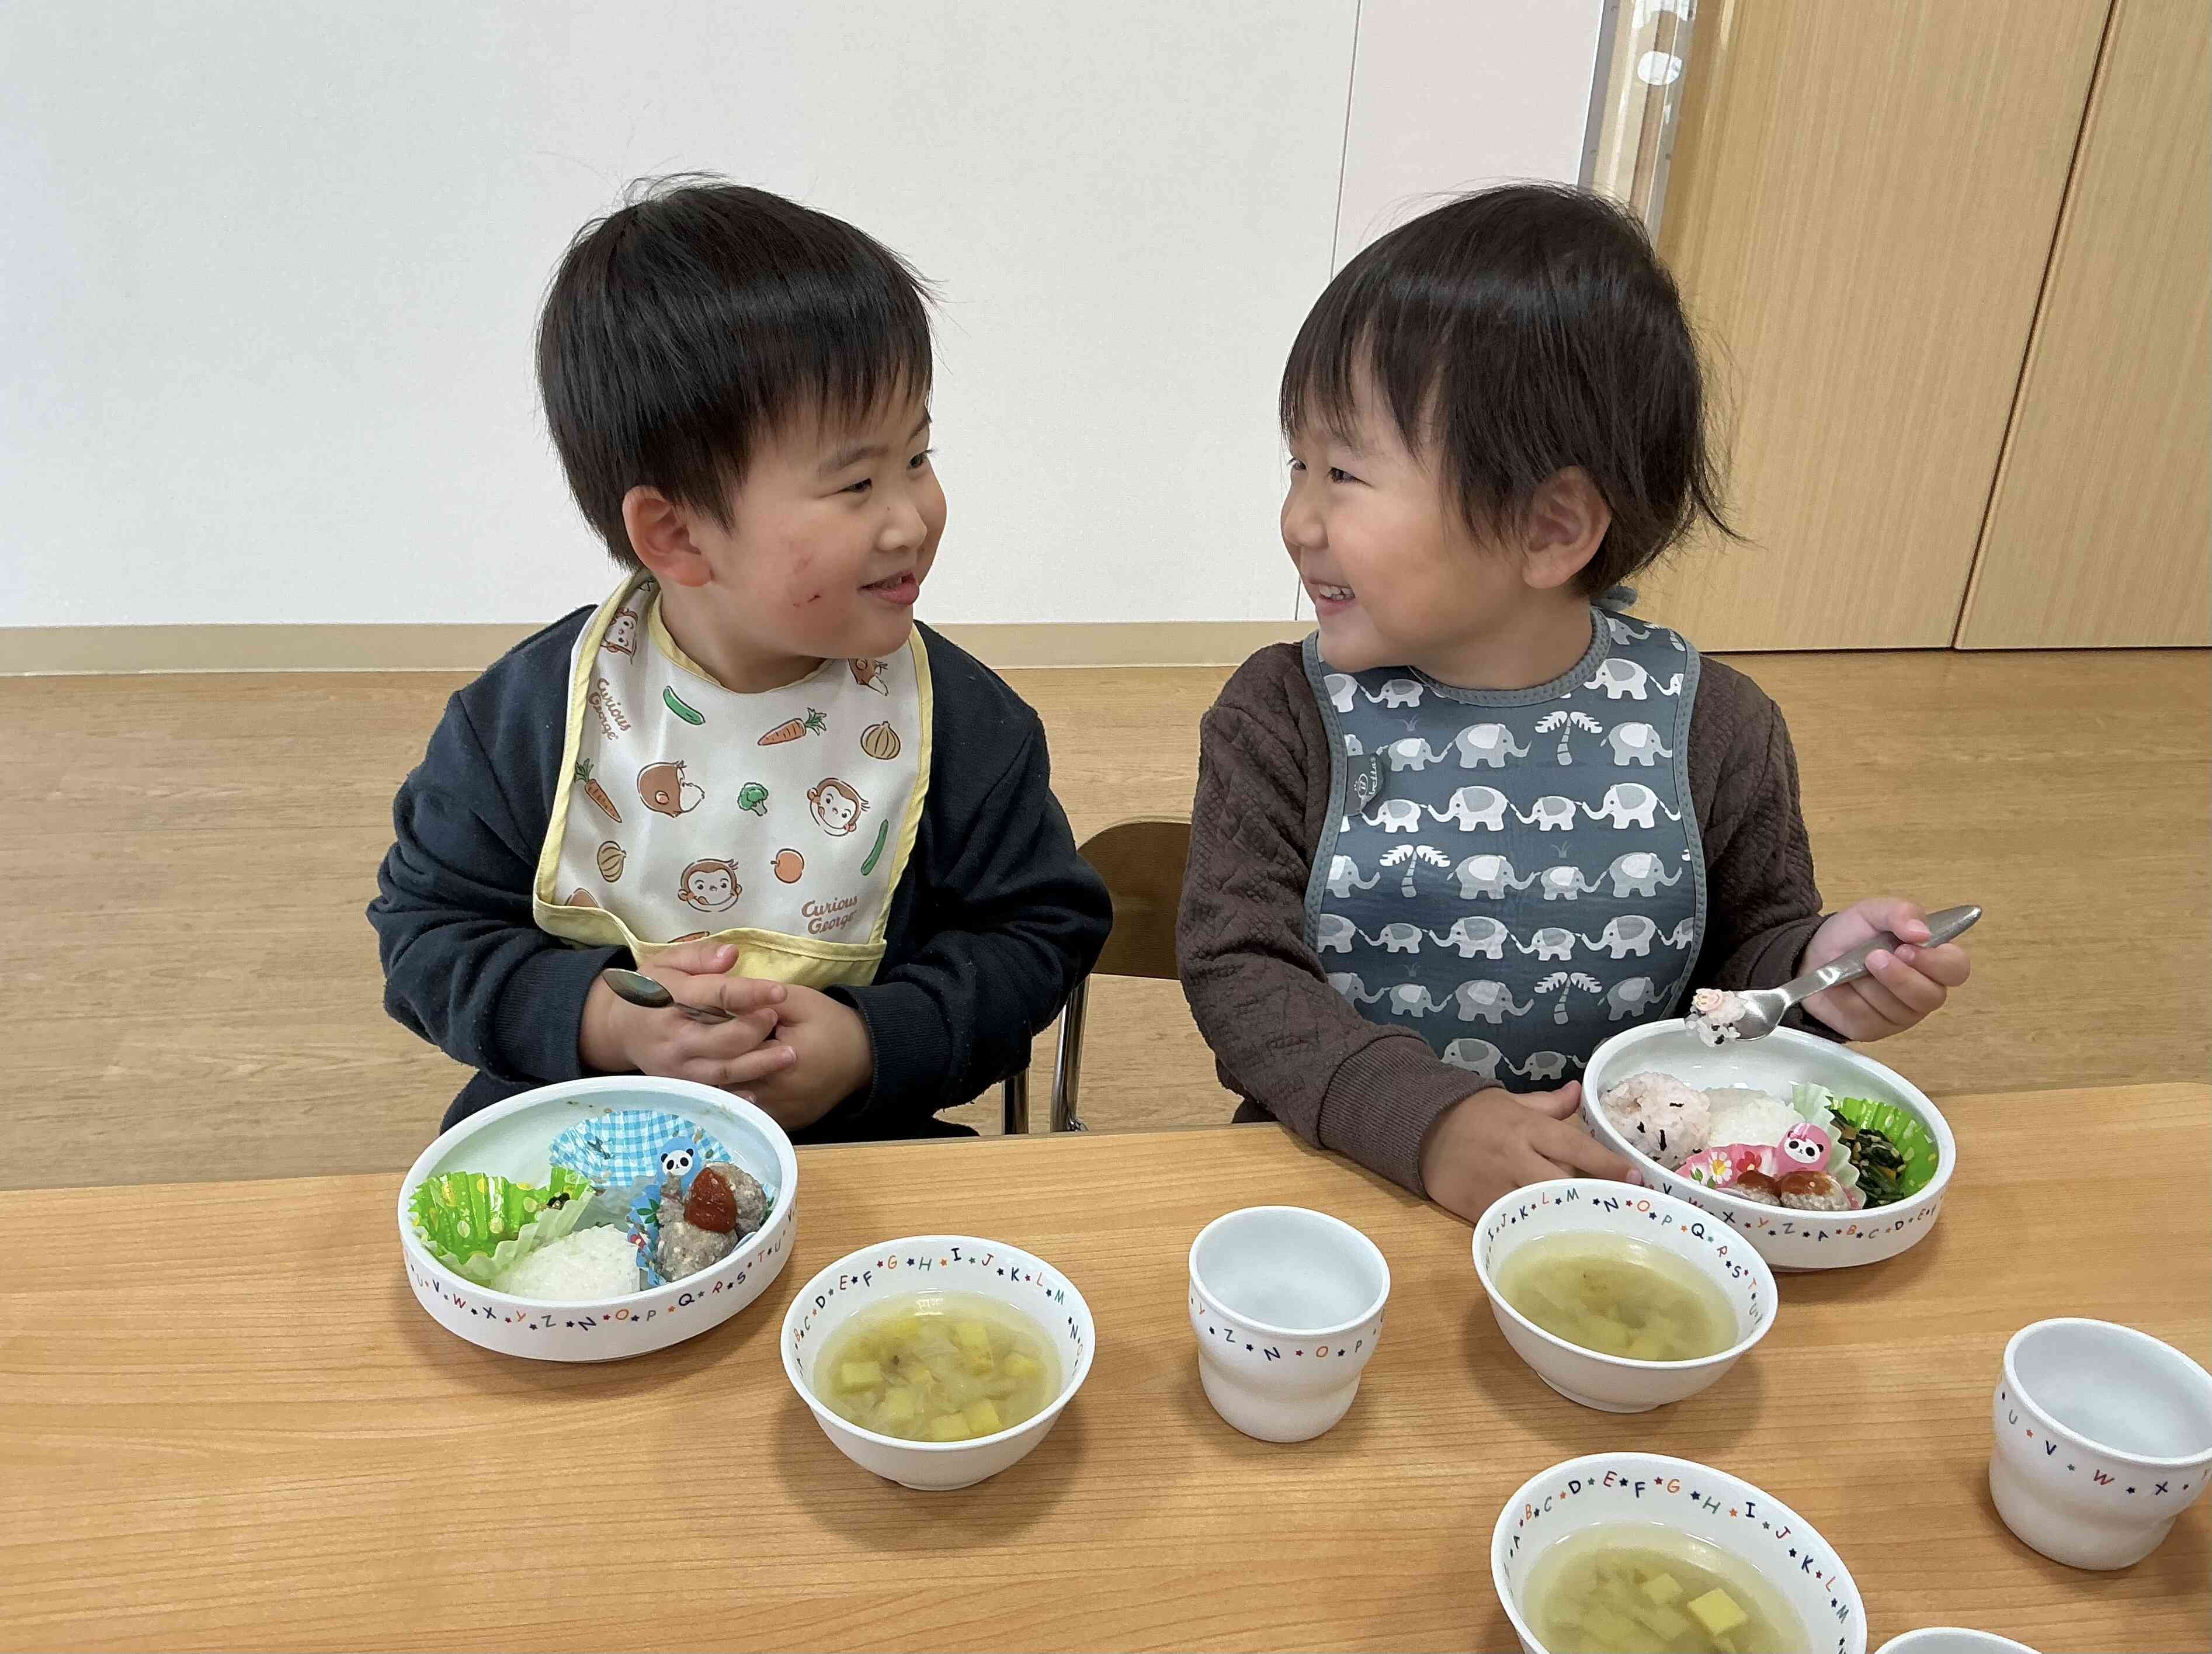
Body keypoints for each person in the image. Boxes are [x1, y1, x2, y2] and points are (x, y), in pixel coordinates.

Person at [1177, 185, 1970, 1223]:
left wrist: (1813, 973)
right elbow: (1241, 973)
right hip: (1336, 1179)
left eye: (1343, 473)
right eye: (1298, 464)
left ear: (1551, 529)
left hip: (1625, 1199)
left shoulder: (1715, 727)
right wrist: (1430, 1123)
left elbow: (1741, 961)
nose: (1298, 519)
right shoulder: (1279, 714)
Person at [371, 178, 1109, 1138]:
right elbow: (427, 937)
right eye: (855, 482)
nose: (911, 518)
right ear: (676, 535)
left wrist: (866, 1045)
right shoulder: (527, 723)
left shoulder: (963, 726)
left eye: (918, 459)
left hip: (862, 1140)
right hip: (583, 1130)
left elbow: (1039, 938)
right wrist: (604, 1022)